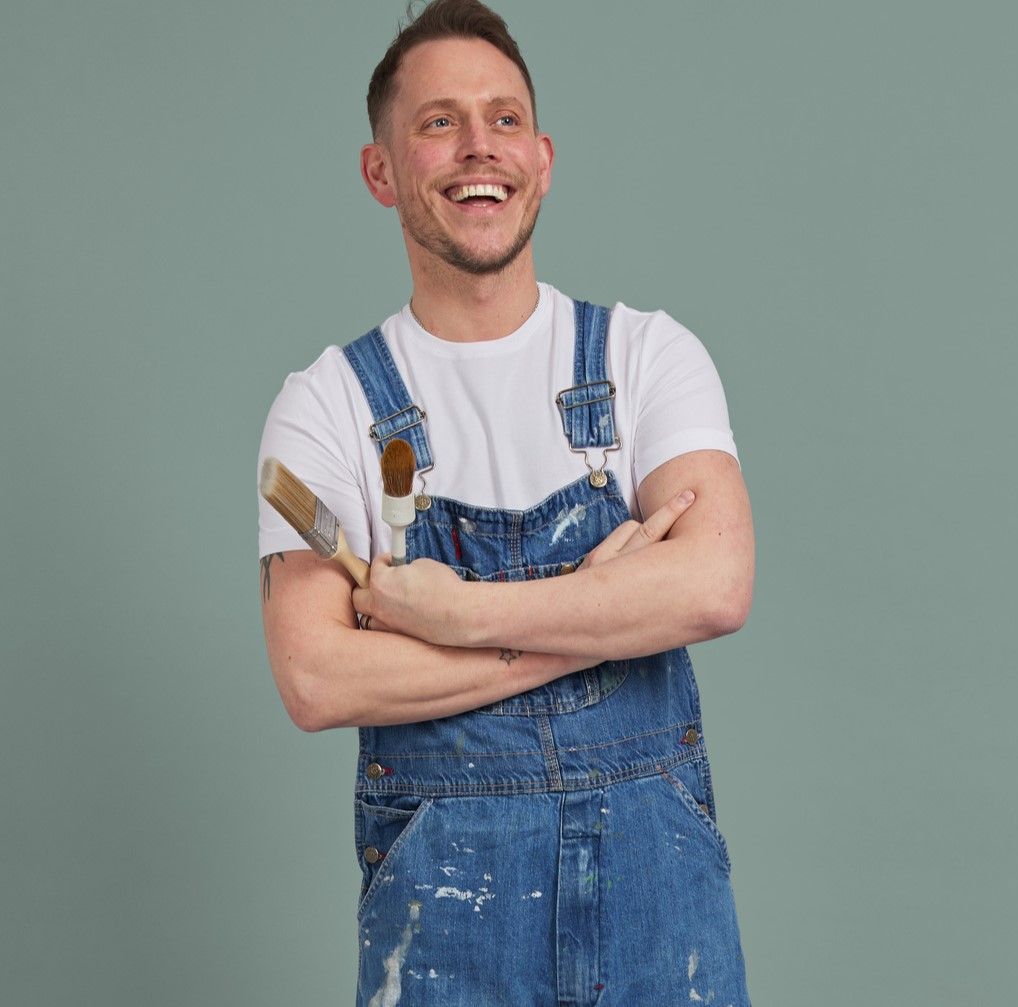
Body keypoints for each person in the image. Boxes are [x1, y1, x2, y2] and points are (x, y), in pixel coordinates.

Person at [257, 1, 753, 1003]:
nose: (478, 145)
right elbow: (316, 675)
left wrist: (459, 616)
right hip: (446, 926)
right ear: (382, 171)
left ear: (543, 155)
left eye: (504, 118)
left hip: (661, 918)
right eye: (438, 121)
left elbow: (712, 583)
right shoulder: (327, 405)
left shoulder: (646, 356)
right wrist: (603, 611)